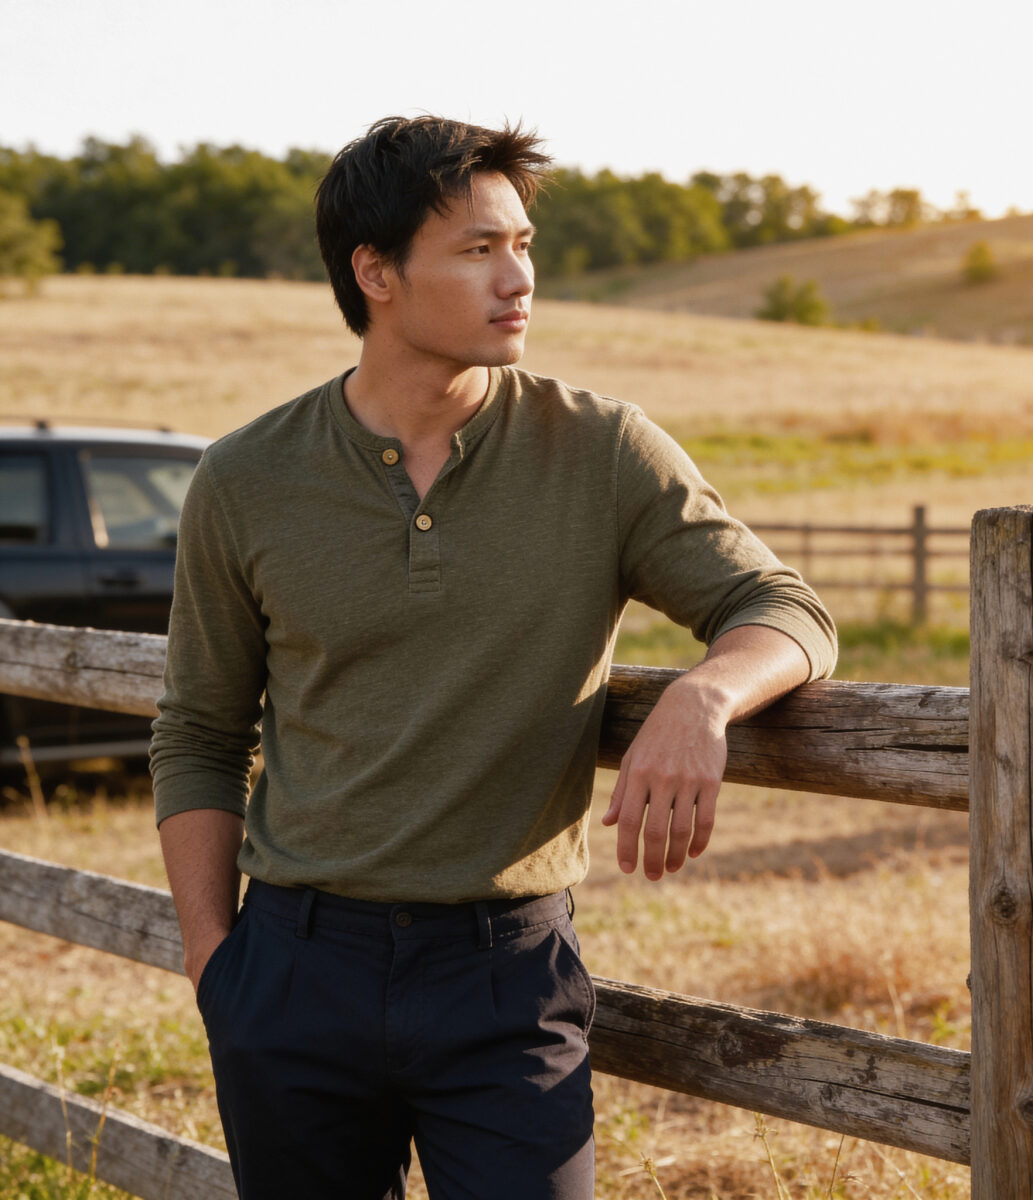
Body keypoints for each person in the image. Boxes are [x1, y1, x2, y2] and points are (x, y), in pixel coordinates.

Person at [150, 114, 837, 1200]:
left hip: (504, 976)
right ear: (374, 271)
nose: (517, 277)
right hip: (293, 967)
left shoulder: (601, 448)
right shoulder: (245, 478)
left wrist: (706, 696)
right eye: (478, 250)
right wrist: (216, 967)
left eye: (522, 245)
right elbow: (197, 733)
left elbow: (782, 606)